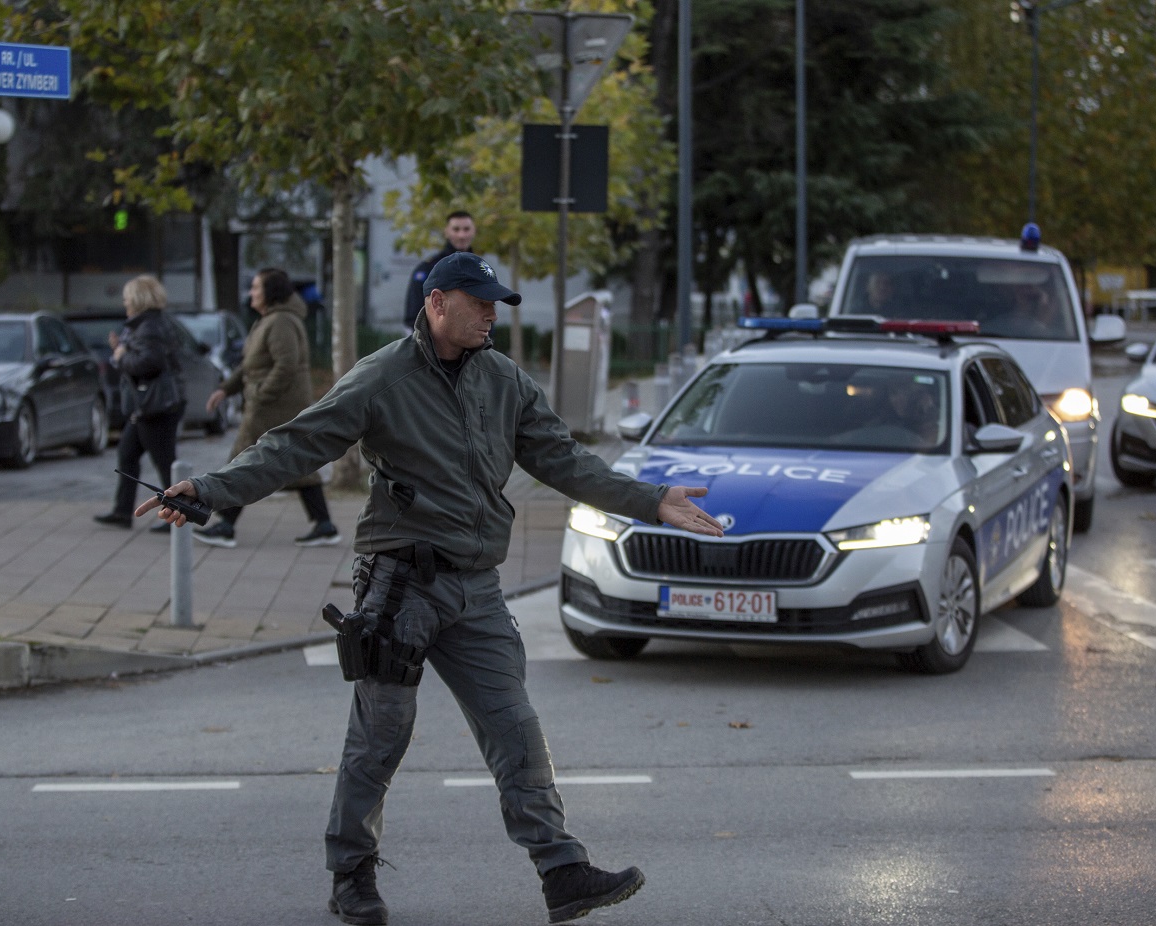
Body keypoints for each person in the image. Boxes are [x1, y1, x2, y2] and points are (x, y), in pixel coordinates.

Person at [137, 251, 724, 926]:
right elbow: (297, 444)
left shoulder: (503, 380)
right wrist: (208, 490)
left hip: (476, 588)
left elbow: (563, 460)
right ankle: (351, 874)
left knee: (516, 730)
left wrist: (650, 501)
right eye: (479, 302)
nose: (490, 314)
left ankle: (562, 871)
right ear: (438, 303)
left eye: (496, 303)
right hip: (399, 588)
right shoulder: (383, 376)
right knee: (382, 736)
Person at [193, 268, 339, 549]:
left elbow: (286, 364)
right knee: (297, 462)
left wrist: (260, 394)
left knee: (242, 460)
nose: (252, 293)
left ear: (271, 292)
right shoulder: (268, 320)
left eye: (257, 288)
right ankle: (324, 525)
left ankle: (226, 525)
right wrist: (226, 388)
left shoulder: (281, 321)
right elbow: (250, 364)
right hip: (272, 405)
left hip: (273, 406)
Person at [94, 274, 185, 533]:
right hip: (151, 404)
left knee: (164, 460)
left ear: (137, 299)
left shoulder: (150, 327)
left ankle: (177, 513)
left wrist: (122, 355)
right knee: (128, 453)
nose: (124, 303)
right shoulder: (147, 324)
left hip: (156, 405)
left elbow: (149, 363)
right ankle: (123, 511)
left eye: (126, 298)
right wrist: (122, 349)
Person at [403, 210, 475, 334]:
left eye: (466, 229)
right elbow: (413, 316)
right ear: (446, 232)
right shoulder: (428, 268)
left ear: (474, 231)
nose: (461, 235)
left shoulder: (480, 268)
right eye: (456, 229)